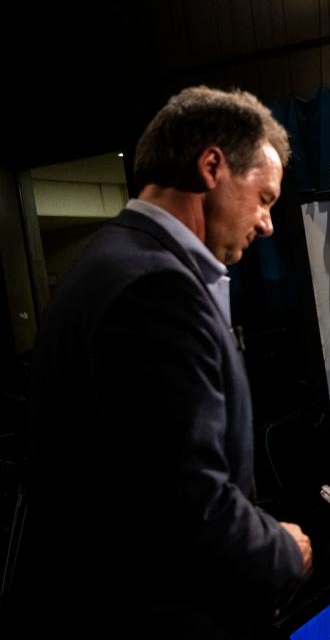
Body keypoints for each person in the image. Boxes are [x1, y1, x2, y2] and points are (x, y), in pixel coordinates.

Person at [22, 86, 312, 637]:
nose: (268, 223)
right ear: (211, 167)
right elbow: (185, 504)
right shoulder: (154, 289)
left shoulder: (110, 261)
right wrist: (280, 551)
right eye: (265, 198)